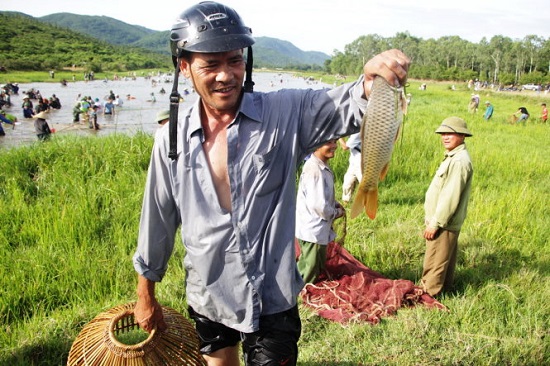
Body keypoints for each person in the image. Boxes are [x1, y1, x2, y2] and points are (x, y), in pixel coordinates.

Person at [132, 2, 409, 365]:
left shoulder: (285, 113)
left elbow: (342, 106)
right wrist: (145, 294)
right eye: (210, 64)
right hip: (210, 291)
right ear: (184, 67)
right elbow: (158, 219)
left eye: (234, 60)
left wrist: (371, 83)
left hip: (273, 293)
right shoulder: (171, 138)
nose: (225, 75)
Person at [421, 117, 473, 297]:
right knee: (445, 259)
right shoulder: (454, 157)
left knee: (435, 261)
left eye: (450, 133)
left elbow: (450, 197)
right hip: (445, 221)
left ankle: (429, 296)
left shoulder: (459, 161)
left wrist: (435, 223)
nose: (445, 137)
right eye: (443, 133)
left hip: (444, 222)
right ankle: (445, 291)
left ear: (462, 135)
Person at [295, 140, 345, 284]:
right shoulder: (314, 171)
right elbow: (320, 207)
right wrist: (336, 213)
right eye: (329, 143)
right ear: (315, 146)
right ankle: (298, 290)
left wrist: (334, 204)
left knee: (318, 262)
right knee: (310, 266)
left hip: (317, 229)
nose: (335, 146)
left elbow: (322, 195)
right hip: (313, 230)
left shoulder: (321, 167)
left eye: (335, 141)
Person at [339, 132, 362, 204]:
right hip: (354, 161)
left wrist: (338, 136)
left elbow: (345, 147)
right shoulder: (353, 130)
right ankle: (346, 201)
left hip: (362, 162)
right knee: (347, 182)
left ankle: (370, 204)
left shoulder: (358, 133)